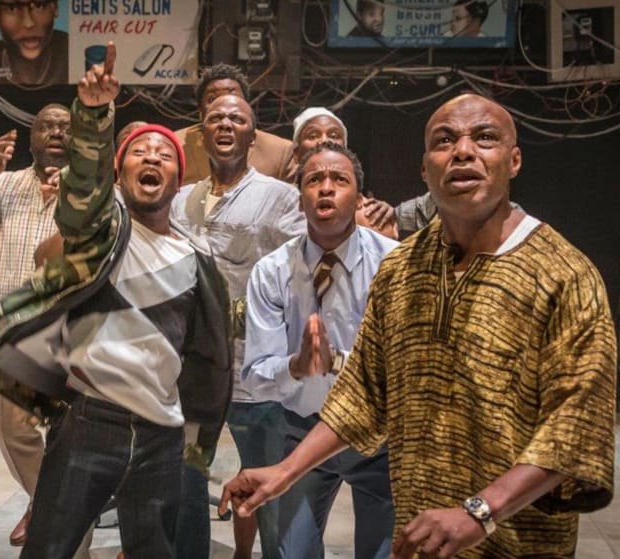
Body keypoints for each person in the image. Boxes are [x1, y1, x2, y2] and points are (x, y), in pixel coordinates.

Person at [221, 93, 617, 558]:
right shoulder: (403, 269)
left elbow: (577, 424)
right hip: (420, 536)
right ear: (425, 170)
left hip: (515, 539)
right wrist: (283, 472)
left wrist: (480, 511)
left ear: (514, 161)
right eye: (444, 140)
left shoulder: (562, 274)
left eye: (484, 138)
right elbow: (365, 394)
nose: (463, 151)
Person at [0, 42, 233, 559]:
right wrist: (97, 116)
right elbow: (80, 199)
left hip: (161, 435)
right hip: (88, 424)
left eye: (164, 154)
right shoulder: (102, 232)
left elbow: (205, 355)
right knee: (50, 548)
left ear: (179, 174)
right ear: (119, 177)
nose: (152, 158)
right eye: (139, 154)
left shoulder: (198, 258)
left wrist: (195, 440)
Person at [242, 141, 396, 559]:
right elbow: (255, 376)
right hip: (302, 433)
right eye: (314, 180)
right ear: (300, 197)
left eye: (339, 179)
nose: (326, 188)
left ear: (360, 198)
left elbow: (399, 369)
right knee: (292, 554)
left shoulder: (394, 265)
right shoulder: (272, 271)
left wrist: (338, 362)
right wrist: (295, 365)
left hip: (378, 442)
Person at [169, 94, 305, 559]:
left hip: (255, 378)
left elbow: (299, 275)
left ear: (252, 134)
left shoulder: (282, 197)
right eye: (215, 118)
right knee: (186, 489)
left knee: (269, 493)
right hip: (191, 377)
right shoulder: (180, 199)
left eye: (236, 118)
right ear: (202, 133)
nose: (225, 124)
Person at [0, 102, 71, 547]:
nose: (55, 132)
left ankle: (52, 514)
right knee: (11, 427)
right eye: (45, 125)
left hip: (68, 332)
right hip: (9, 331)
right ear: (31, 137)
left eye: (64, 127)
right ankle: (50, 502)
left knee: (64, 434)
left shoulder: (93, 190)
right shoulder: (6, 184)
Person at [176, 64, 296, 185]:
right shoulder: (172, 147)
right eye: (212, 99)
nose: (223, 104)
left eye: (232, 96)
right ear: (200, 112)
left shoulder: (280, 152)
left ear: (247, 108)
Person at [290, 107, 397, 239]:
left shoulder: (370, 215)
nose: (324, 141)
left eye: (334, 136)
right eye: (313, 136)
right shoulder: (277, 200)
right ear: (295, 153)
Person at [0, 0, 69, 86]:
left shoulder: (76, 56)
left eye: (39, 5)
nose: (28, 23)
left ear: (55, 6)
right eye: (12, 8)